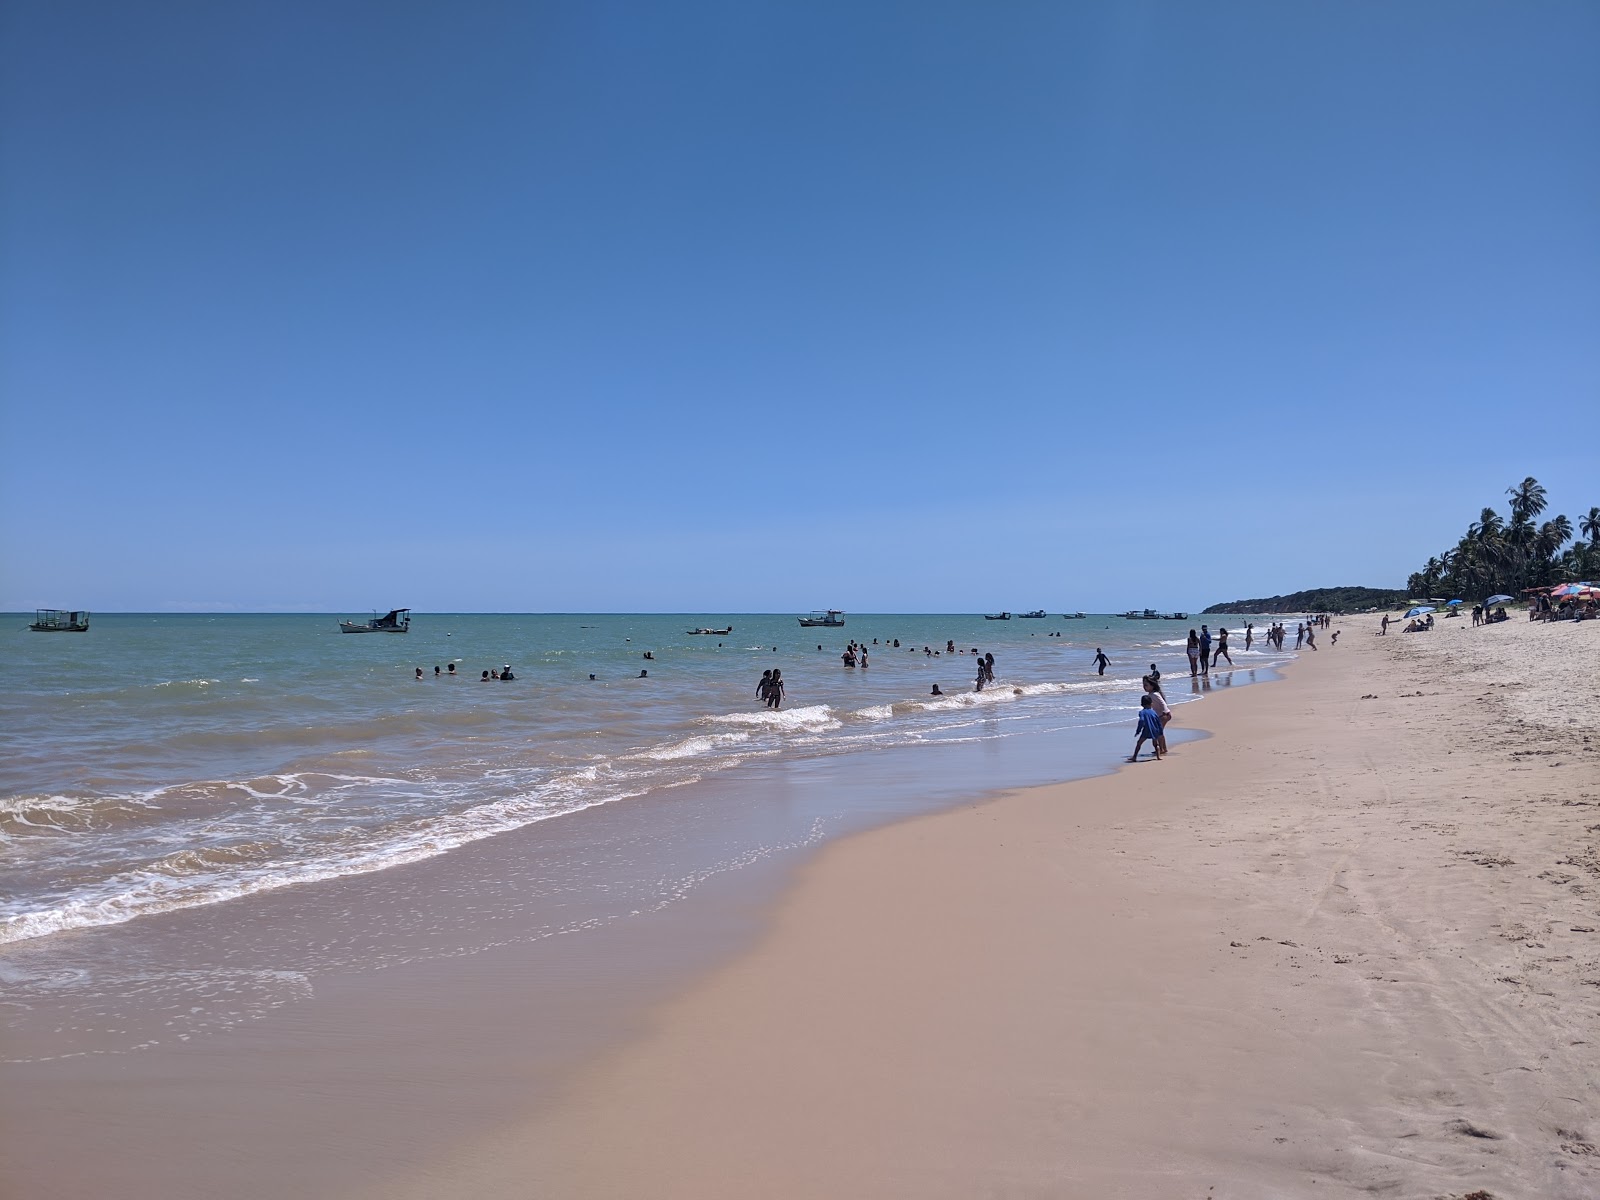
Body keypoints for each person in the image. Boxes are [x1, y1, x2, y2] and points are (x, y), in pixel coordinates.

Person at [1129, 694, 1165, 762]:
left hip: (1147, 730)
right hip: (1155, 730)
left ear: (1141, 704)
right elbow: (1158, 722)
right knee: (1155, 744)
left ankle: (1134, 757)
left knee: (1139, 743)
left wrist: (1138, 731)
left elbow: (1141, 721)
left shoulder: (1142, 712)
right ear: (1151, 704)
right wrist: (1160, 731)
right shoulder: (1154, 712)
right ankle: (1158, 757)